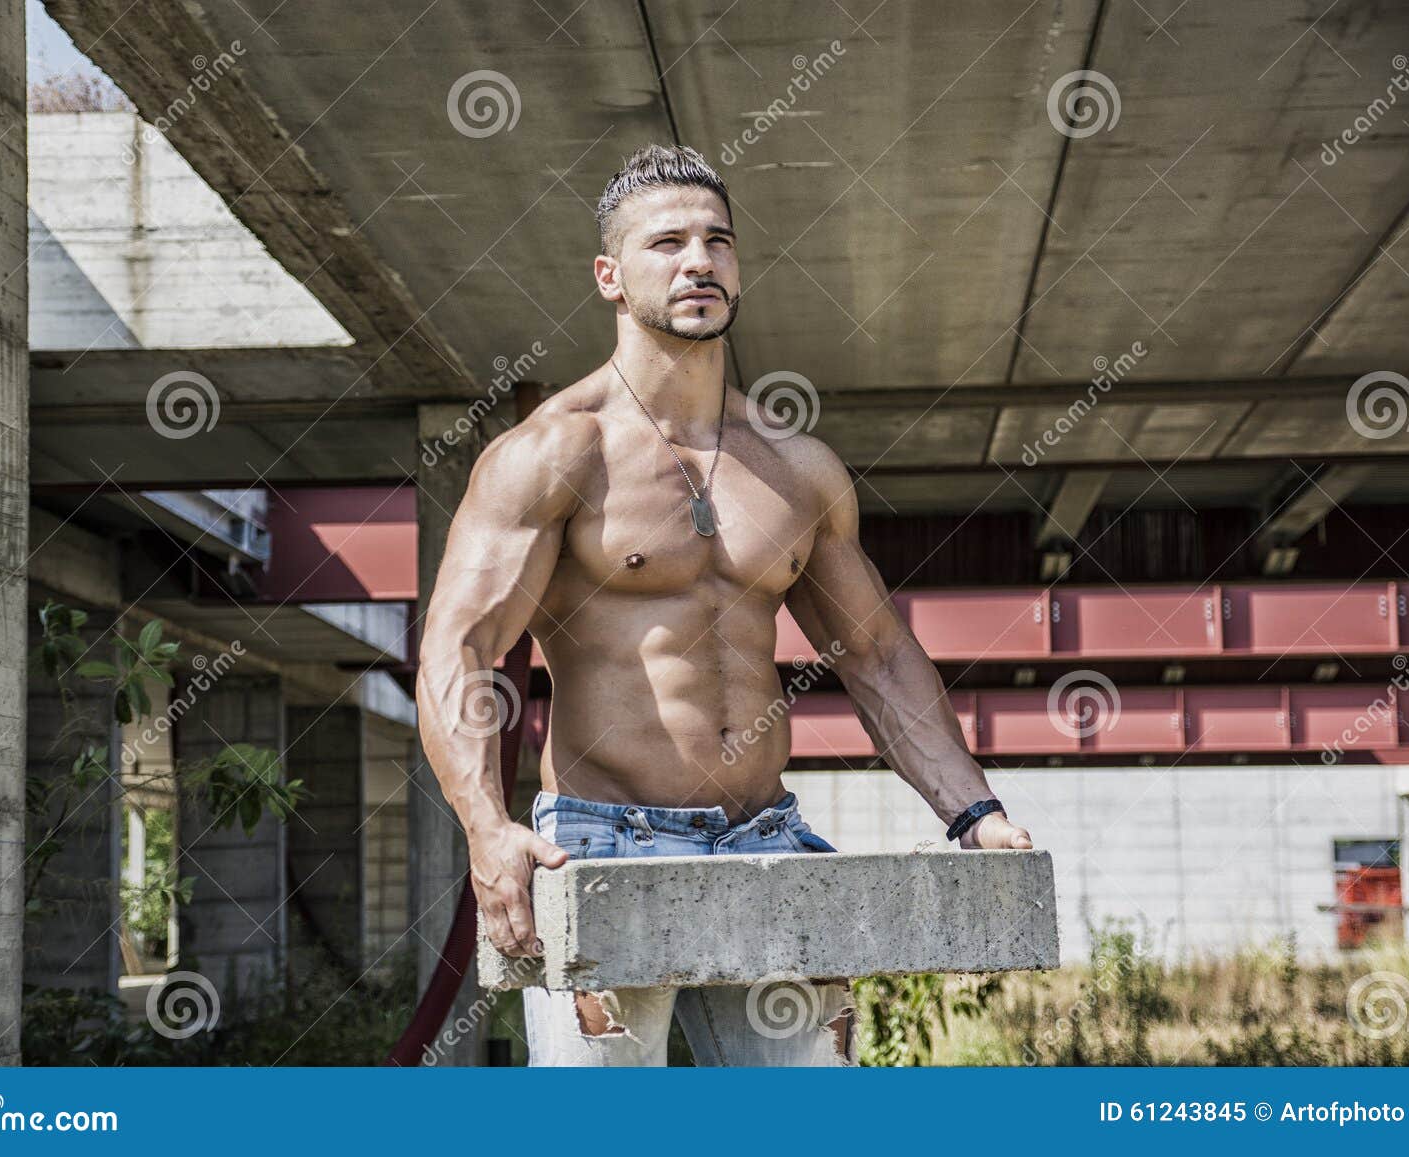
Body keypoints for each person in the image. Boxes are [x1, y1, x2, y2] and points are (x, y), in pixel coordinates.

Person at [416, 143, 1034, 1066]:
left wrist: (974, 810)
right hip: (600, 842)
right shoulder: (554, 454)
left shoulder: (797, 467)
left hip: (766, 832)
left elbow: (873, 653)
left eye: (718, 241)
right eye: (666, 242)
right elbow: (456, 652)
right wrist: (485, 826)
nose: (698, 260)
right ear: (610, 277)